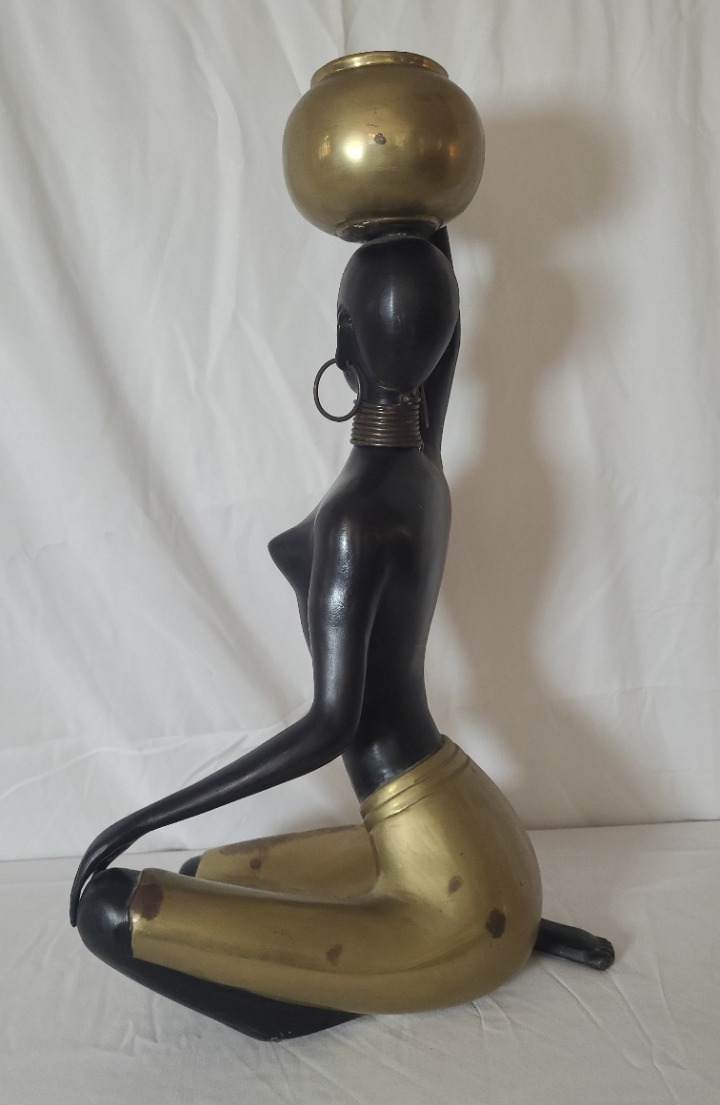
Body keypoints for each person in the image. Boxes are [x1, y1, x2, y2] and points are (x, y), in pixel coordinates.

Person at [69, 230, 607, 1041]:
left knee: (111, 909)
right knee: (201, 872)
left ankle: (323, 992)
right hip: (462, 826)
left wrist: (133, 820)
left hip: (458, 890)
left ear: (343, 334)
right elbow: (441, 341)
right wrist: (424, 220)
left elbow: (331, 725)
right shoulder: (422, 466)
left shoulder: (360, 516)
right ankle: (393, 949)